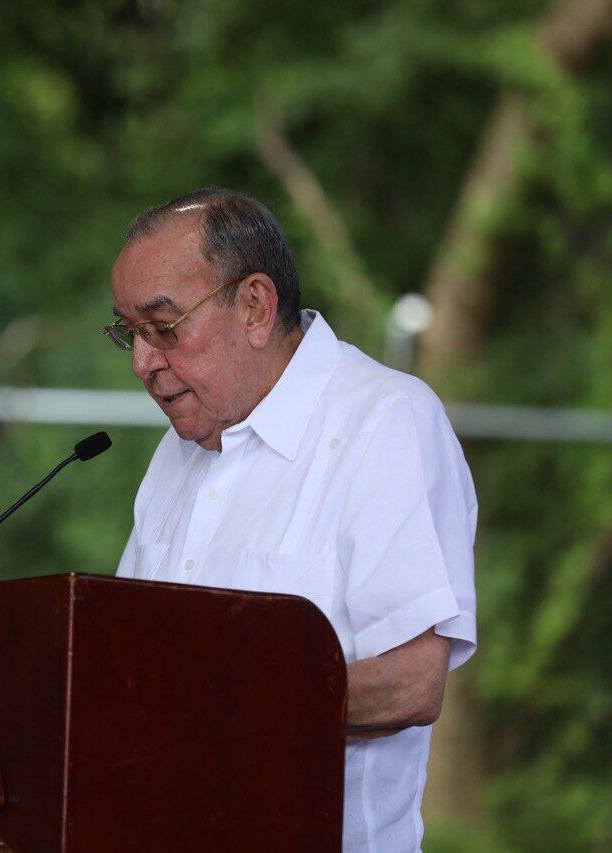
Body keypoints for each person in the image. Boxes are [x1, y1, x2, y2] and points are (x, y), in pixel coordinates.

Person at [110, 188, 477, 852]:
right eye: (127, 333)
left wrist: (219, 709)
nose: (142, 363)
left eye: (163, 327)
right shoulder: (179, 450)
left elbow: (412, 683)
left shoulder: (384, 421)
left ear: (254, 305)